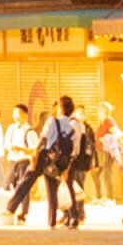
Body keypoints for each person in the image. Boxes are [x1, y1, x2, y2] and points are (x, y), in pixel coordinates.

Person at [37, 96, 86, 228]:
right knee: (67, 188)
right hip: (68, 159)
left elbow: (45, 139)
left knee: (59, 189)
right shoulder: (74, 124)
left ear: (61, 108)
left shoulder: (66, 123)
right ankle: (71, 217)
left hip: (59, 159)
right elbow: (76, 143)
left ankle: (65, 217)